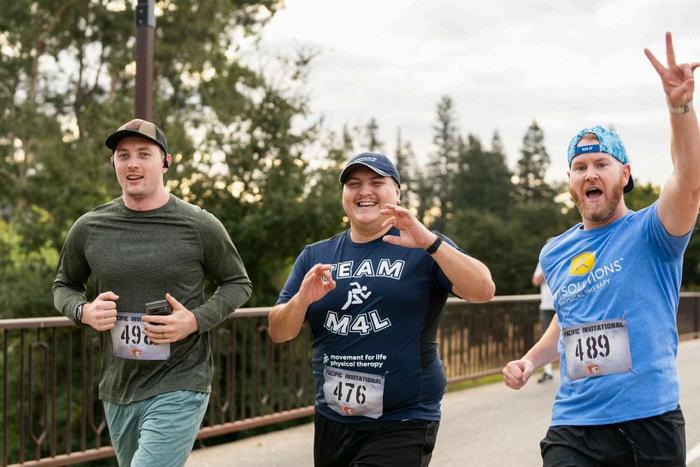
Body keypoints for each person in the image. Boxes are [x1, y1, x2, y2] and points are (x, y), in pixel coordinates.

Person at [503, 32, 699, 466]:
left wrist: (680, 107)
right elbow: (569, 318)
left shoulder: (653, 230)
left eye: (601, 164)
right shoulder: (555, 251)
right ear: (571, 182)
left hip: (651, 421)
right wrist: (530, 360)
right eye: (580, 167)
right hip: (575, 425)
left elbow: (689, 180)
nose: (590, 173)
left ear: (624, 174)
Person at [268, 152, 495, 467]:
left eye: (376, 182)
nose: (364, 191)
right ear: (344, 194)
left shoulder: (423, 246)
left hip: (403, 420)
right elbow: (278, 331)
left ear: (397, 192)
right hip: (333, 419)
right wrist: (302, 299)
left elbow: (484, 290)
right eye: (354, 184)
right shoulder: (316, 256)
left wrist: (430, 242)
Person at [52, 119, 252, 467]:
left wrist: (194, 320)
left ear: (165, 162)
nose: (133, 164)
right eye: (123, 155)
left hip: (181, 380)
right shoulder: (90, 227)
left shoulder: (199, 225)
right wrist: (84, 311)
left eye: (144, 154)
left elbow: (238, 283)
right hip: (119, 387)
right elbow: (64, 286)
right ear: (113, 163)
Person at [532, 259, 554, 383]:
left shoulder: (565, 256)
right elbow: (535, 281)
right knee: (545, 338)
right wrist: (548, 268)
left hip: (562, 305)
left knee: (568, 337)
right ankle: (548, 371)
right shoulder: (543, 260)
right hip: (546, 306)